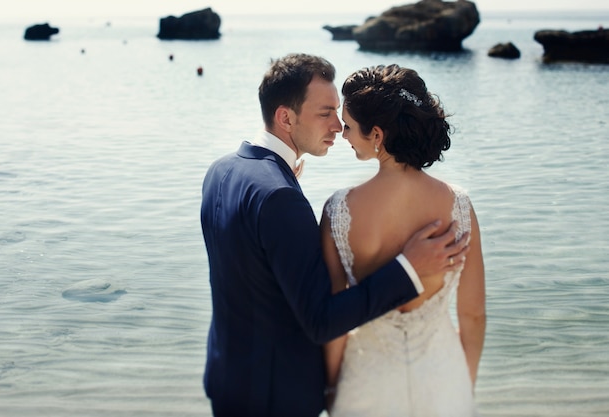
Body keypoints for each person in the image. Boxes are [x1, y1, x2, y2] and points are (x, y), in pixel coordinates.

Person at [200, 54, 469, 417]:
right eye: (325, 112)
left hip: (227, 380)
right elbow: (321, 321)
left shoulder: (223, 171)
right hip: (275, 397)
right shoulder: (278, 197)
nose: (338, 124)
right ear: (285, 117)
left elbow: (252, 268)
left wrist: (281, 188)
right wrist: (408, 268)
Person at [321, 64, 486, 416]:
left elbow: (335, 319)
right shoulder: (458, 205)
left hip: (366, 384)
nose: (344, 135)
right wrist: (463, 382)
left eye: (349, 127)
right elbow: (472, 315)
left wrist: (334, 387)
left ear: (377, 135)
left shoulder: (338, 211)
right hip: (444, 380)